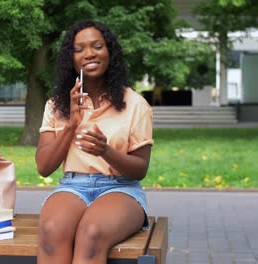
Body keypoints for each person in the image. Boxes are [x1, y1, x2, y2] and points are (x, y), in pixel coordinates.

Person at [35, 20, 154, 264]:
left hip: (121, 188)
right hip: (73, 186)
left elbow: (140, 169)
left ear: (110, 52)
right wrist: (71, 124)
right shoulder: (56, 105)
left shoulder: (135, 104)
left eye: (97, 46)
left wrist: (106, 151)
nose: (89, 53)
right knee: (52, 229)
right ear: (72, 59)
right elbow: (44, 167)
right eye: (79, 49)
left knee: (91, 233)